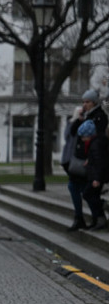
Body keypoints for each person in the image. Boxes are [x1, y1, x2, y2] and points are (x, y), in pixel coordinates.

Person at [63, 90, 107, 230]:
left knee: (87, 190)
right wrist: (78, 119)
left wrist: (90, 158)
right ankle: (81, 217)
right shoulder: (86, 116)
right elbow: (73, 132)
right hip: (80, 158)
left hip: (90, 160)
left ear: (94, 102)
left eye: (87, 102)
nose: (84, 105)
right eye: (83, 102)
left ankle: (97, 217)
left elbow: (98, 140)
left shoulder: (99, 116)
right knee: (75, 187)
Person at [74, 120, 107, 230]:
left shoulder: (94, 144)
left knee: (88, 194)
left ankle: (102, 211)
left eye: (84, 137)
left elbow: (99, 162)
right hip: (94, 175)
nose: (82, 140)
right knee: (91, 194)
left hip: (96, 176)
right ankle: (99, 219)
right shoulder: (93, 143)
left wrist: (97, 179)